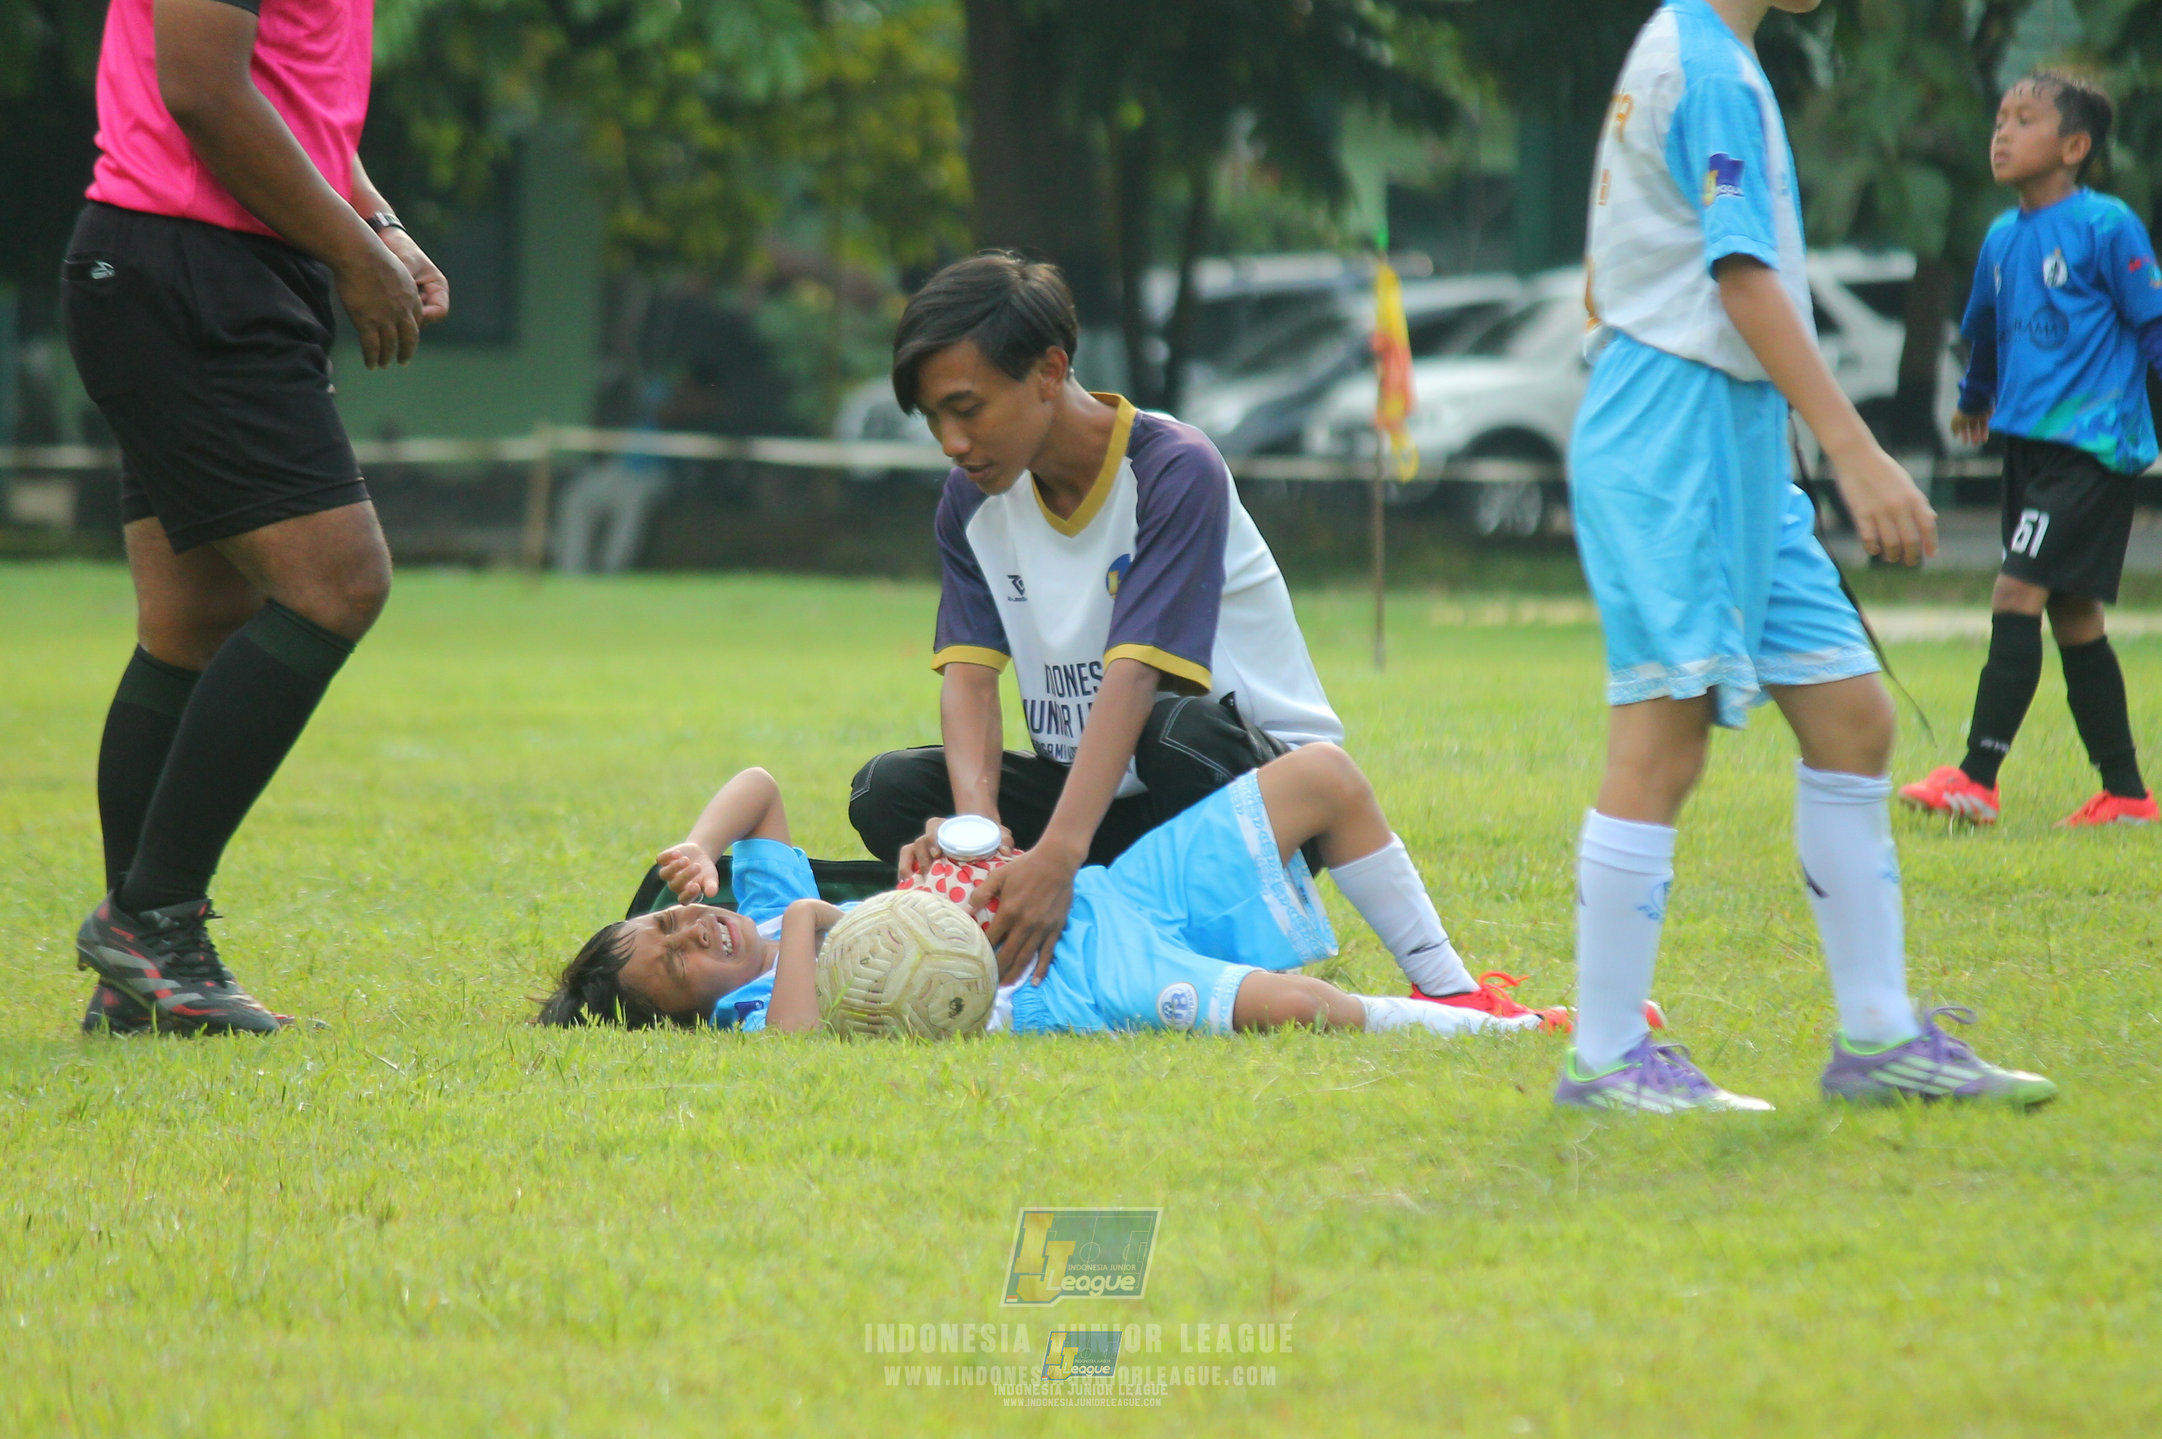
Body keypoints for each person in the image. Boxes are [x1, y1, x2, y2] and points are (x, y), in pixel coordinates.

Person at [1560, 0, 2054, 1111]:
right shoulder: (1707, 65)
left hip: (1728, 439)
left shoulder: (1710, 51)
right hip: (1669, 435)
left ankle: (1877, 1039)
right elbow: (1740, 280)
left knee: (1849, 714)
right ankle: (1601, 1057)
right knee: (1664, 730)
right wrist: (1855, 450)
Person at [69, 0, 448, 1035]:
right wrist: (352, 257)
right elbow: (202, 87)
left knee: (191, 625)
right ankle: (153, 918)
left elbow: (294, 106)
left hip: (196, 265)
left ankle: (139, 981)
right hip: (187, 264)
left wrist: (377, 227)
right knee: (337, 582)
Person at [843, 253, 1355, 979]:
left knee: (1176, 732)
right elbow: (969, 679)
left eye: (967, 408)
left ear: (1050, 371)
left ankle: (1113, 907)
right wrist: (979, 835)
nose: (951, 443)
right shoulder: (970, 499)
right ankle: (1084, 910)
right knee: (887, 789)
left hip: (1242, 786)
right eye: (933, 419)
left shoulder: (1175, 467)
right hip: (1096, 800)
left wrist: (1056, 854)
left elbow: (1137, 675)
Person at [537, 751, 1590, 1039]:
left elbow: (759, 784)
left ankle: (1451, 989)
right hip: (1072, 978)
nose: (694, 931)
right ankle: (1517, 1031)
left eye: (670, 917)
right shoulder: (758, 994)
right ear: (686, 1012)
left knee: (1322, 777)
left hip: (1091, 889)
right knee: (1299, 1012)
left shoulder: (750, 904)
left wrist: (700, 841)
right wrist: (812, 920)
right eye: (676, 958)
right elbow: (802, 1051)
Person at [1900, 71, 2160, 829]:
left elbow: (2153, 326)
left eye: (2024, 119)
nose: (2002, 132)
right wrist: (1976, 397)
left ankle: (1977, 777)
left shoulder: (2107, 226)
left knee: (2016, 591)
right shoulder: (2001, 237)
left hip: (2091, 447)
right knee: (2074, 614)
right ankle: (2128, 794)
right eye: (1999, 118)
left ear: (2075, 146)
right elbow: (1987, 325)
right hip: (2028, 447)